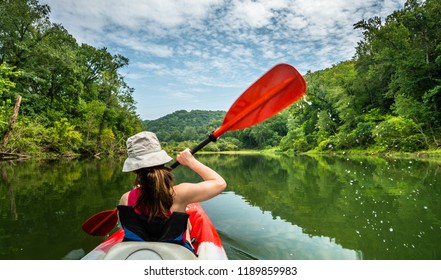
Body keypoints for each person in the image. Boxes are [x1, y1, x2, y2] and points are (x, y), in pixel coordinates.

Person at [117, 131, 226, 253]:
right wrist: (191, 161)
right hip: (175, 252)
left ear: (133, 170)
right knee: (185, 219)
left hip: (137, 252)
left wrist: (140, 191)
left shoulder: (125, 199)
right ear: (162, 161)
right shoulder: (181, 194)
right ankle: (189, 240)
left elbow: (128, 226)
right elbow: (220, 183)